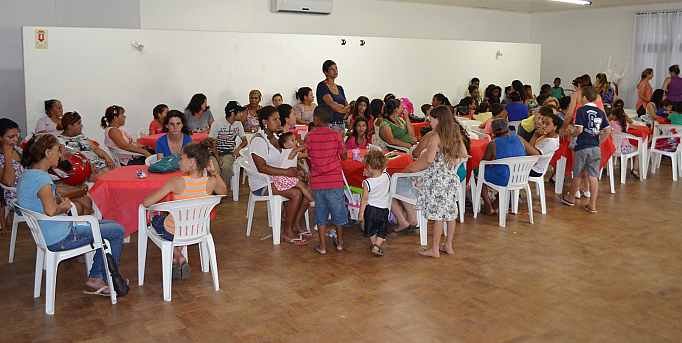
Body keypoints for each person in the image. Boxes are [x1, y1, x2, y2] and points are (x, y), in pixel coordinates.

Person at [17, 134, 124, 295]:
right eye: (57, 151)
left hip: (49, 233)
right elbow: (51, 211)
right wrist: (64, 206)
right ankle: (99, 278)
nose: (60, 155)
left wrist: (58, 201)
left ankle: (97, 276)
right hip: (60, 237)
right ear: (47, 153)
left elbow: (43, 204)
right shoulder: (42, 179)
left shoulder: (27, 174)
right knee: (117, 231)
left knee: (110, 226)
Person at [143, 141, 227, 279]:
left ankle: (178, 256)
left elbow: (146, 203)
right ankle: (177, 256)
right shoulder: (210, 182)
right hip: (196, 229)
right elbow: (223, 192)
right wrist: (214, 173)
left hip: (173, 232)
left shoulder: (176, 182)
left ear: (192, 162)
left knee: (156, 218)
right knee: (177, 221)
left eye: (182, 158)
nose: (179, 162)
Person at [403, 105, 468, 258]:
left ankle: (435, 249)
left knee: (438, 215)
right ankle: (449, 245)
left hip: (438, 180)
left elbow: (430, 159)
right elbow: (464, 153)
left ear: (438, 120)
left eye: (431, 119)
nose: (429, 122)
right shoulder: (454, 133)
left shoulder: (435, 136)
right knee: (450, 214)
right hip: (451, 178)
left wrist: (430, 154)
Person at [248, 106, 310, 244]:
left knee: (305, 188)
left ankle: (294, 224)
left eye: (278, 119)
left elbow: (285, 158)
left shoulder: (275, 137)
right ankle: (287, 232)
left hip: (276, 178)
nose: (278, 122)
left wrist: (297, 170)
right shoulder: (259, 140)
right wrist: (286, 173)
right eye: (274, 119)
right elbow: (262, 167)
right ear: (265, 122)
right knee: (296, 194)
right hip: (262, 183)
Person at [560, 86, 610, 213]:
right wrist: (598, 141)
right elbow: (607, 130)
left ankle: (571, 198)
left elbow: (579, 129)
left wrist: (572, 134)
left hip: (582, 147)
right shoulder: (601, 112)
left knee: (577, 174)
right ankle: (592, 205)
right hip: (595, 148)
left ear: (584, 97)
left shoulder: (581, 110)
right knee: (593, 176)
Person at [305, 106, 347, 255]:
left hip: (317, 182)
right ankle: (340, 243)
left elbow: (307, 154)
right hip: (335, 180)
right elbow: (344, 156)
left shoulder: (309, 136)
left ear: (316, 119)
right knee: (338, 212)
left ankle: (322, 246)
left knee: (320, 214)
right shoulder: (336, 135)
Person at [481, 118, 527, 215]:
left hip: (505, 178)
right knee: (504, 172)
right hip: (520, 176)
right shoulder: (518, 138)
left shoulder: (493, 144)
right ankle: (495, 205)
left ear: (492, 131)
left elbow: (484, 162)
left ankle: (488, 205)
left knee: (478, 172)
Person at [59, 112, 115, 179]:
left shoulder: (81, 136)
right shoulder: (60, 141)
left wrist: (108, 158)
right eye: (78, 123)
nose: (81, 125)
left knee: (117, 174)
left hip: (99, 165)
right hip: (85, 170)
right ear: (69, 126)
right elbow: (65, 159)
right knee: (109, 179)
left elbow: (96, 149)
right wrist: (88, 167)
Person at [209, 101, 248, 192]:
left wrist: (238, 149)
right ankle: (214, 191)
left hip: (228, 153)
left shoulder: (238, 124)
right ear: (232, 113)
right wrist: (218, 158)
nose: (242, 114)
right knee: (215, 169)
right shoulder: (217, 124)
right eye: (239, 112)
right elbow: (211, 143)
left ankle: (222, 191)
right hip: (214, 153)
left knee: (226, 168)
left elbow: (245, 141)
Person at [358, 150, 390, 257]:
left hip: (371, 210)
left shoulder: (367, 182)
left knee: (370, 229)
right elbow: (383, 168)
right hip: (384, 210)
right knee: (382, 229)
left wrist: (361, 214)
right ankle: (377, 245)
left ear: (369, 168)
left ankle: (373, 243)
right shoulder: (386, 176)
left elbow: (365, 199)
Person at [271, 132, 313, 204]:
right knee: (301, 185)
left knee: (303, 184)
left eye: (295, 139)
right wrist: (308, 144)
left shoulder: (291, 153)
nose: (296, 142)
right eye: (293, 140)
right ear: (286, 145)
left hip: (285, 176)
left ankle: (311, 200)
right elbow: (297, 151)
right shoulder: (289, 152)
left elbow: (305, 155)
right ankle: (312, 201)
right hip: (284, 177)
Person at [519, 112, 561, 177]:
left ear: (555, 127)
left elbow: (533, 154)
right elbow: (530, 149)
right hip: (531, 163)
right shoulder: (546, 135)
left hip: (534, 169)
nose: (543, 126)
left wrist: (521, 138)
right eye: (543, 123)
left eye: (547, 124)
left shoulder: (551, 142)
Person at [0, 118, 23, 231]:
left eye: (17, 135)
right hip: (15, 197)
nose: (15, 139)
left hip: (28, 189)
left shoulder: (18, 150)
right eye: (10, 137)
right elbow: (9, 182)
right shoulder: (3, 156)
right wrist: (7, 154)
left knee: (81, 200)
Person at [316, 60, 349, 132]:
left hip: (341, 123)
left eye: (336, 68)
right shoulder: (322, 86)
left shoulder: (340, 88)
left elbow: (347, 106)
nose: (335, 71)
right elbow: (333, 105)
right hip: (328, 124)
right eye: (332, 69)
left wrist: (342, 109)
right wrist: (341, 108)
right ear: (325, 72)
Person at [609, 106, 641, 178]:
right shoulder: (626, 124)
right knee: (639, 149)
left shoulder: (611, 123)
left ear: (614, 116)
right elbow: (633, 125)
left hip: (613, 149)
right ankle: (635, 170)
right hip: (624, 149)